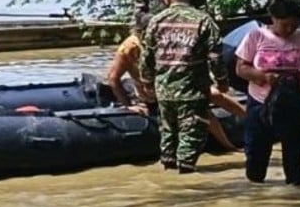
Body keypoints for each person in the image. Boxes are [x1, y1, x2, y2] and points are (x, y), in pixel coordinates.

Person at [138, 0, 228, 173]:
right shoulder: (203, 20)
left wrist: (146, 83)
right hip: (193, 92)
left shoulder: (156, 21)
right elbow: (215, 57)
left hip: (164, 92)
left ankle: (168, 175)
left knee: (168, 135)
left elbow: (147, 57)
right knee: (191, 137)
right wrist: (222, 82)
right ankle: (186, 178)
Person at [105, 30, 245, 151]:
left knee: (215, 94)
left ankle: (254, 121)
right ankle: (229, 146)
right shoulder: (129, 49)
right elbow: (113, 78)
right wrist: (129, 105)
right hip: (153, 96)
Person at [234, 0, 300, 185]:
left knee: (295, 155)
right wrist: (263, 76)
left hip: (293, 103)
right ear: (273, 19)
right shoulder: (256, 36)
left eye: (294, 25)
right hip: (260, 102)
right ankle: (256, 192)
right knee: (256, 153)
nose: (289, 29)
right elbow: (241, 68)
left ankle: (297, 191)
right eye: (284, 25)